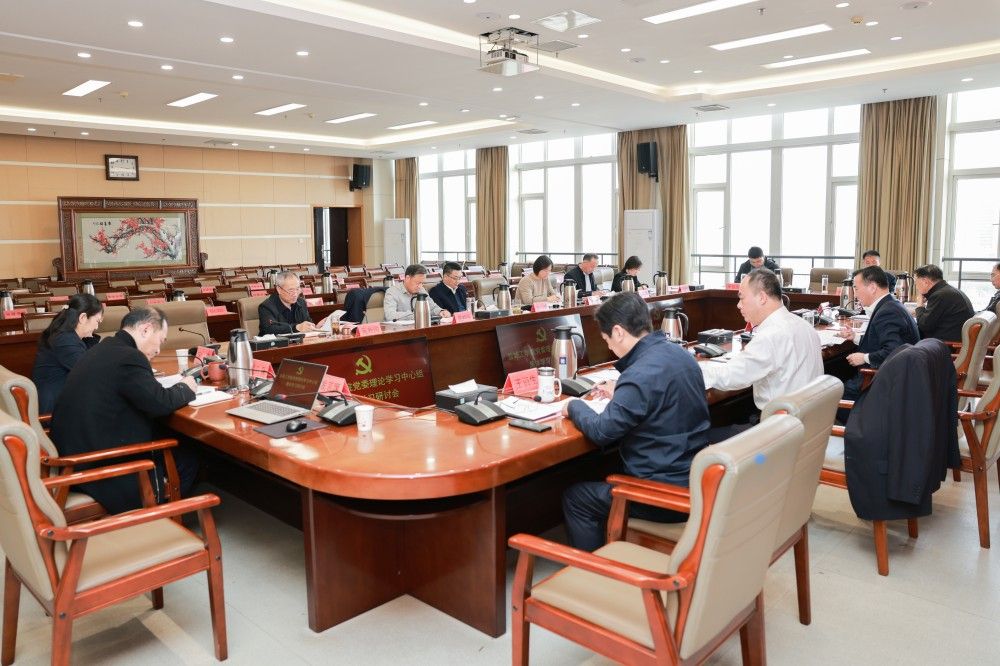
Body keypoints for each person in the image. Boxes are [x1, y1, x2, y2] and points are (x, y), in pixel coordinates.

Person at [560, 292, 712, 551]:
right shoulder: (682, 355)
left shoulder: (638, 374)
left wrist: (573, 406)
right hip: (696, 480)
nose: (610, 347)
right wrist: (623, 391)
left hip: (663, 496)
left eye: (607, 339)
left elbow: (601, 431)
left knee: (576, 498)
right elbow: (657, 393)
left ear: (618, 332)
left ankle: (592, 568)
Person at [50, 307, 199, 514]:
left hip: (75, 453)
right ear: (145, 330)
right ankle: (158, 518)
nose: (158, 349)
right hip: (98, 465)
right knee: (190, 455)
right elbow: (161, 402)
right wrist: (186, 387)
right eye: (160, 340)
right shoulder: (130, 357)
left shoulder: (105, 348)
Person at [701, 268, 823, 429]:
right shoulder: (804, 325)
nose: (738, 305)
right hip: (807, 425)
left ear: (762, 298)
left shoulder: (770, 336)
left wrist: (693, 368)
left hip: (779, 432)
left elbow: (730, 377)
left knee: (703, 436)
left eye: (741, 298)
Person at [837, 266, 919, 404]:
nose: (855, 295)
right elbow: (882, 341)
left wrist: (864, 357)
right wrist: (855, 337)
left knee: (828, 394)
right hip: (893, 377)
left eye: (856, 288)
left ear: (872, 287)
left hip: (880, 383)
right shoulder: (891, 304)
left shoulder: (887, 312)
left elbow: (894, 351)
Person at [31, 293, 104, 414]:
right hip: (54, 410)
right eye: (97, 321)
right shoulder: (64, 340)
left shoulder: (66, 336)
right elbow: (91, 372)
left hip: (64, 401)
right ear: (83, 318)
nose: (96, 327)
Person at [913, 264, 974, 343]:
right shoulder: (947, 291)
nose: (916, 287)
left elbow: (923, 325)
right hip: (951, 339)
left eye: (916, 283)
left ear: (925, 281)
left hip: (946, 344)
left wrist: (919, 305)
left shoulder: (940, 295)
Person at [383, 264, 450, 321]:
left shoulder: (421, 289)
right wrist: (416, 315)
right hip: (398, 330)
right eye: (418, 283)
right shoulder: (392, 292)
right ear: (407, 278)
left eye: (422, 283)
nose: (420, 286)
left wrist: (441, 312)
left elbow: (432, 307)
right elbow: (390, 315)